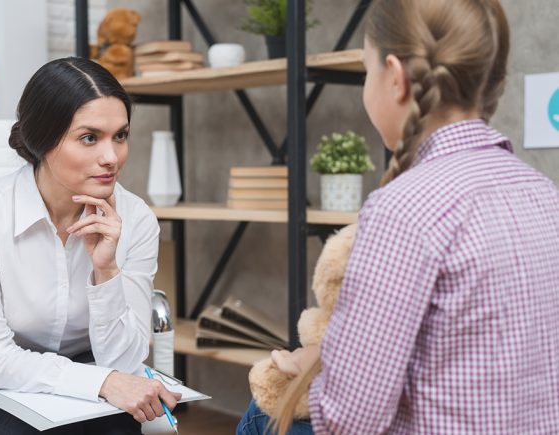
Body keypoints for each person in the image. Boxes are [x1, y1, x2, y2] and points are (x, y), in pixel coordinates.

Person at [238, 0, 559, 433]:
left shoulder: (403, 209)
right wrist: (333, 353)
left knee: (261, 413)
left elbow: (350, 419)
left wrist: (323, 372)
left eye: (366, 70)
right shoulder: (544, 194)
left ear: (396, 77)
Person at [0, 57, 181, 435]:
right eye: (89, 138)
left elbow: (125, 362)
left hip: (85, 362)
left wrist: (106, 270)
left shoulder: (137, 219)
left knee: (124, 428)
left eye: (121, 135)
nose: (111, 157)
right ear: (42, 140)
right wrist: (100, 383)